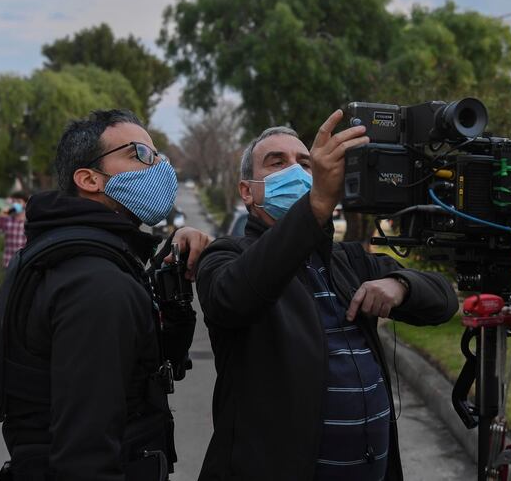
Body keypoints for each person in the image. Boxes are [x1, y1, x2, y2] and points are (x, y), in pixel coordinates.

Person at [196, 110, 460, 481]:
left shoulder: (348, 259)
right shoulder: (227, 257)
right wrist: (316, 204)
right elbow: (233, 297)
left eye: (305, 163)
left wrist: (400, 286)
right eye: (277, 162)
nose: (298, 172)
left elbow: (444, 300)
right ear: (247, 190)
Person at [0, 109, 212, 480]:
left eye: (159, 155)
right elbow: (85, 454)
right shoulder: (96, 282)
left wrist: (170, 290)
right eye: (140, 154)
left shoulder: (75, 256)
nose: (160, 168)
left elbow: (142, 366)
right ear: (89, 179)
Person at [0, 191, 29, 268]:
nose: (15, 204)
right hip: (9, 263)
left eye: (19, 201)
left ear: (25, 204)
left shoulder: (29, 222)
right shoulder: (6, 220)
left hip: (25, 264)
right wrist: (0, 218)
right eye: (13, 201)